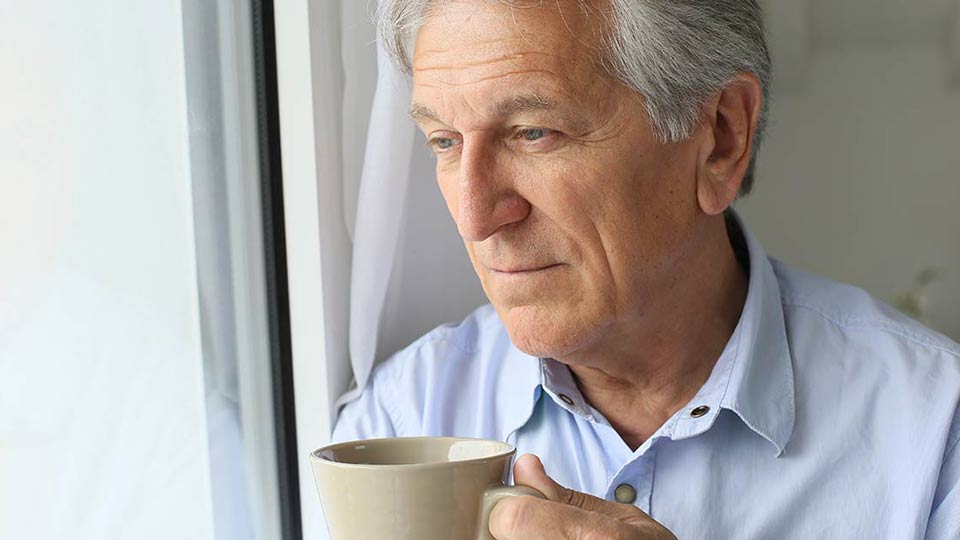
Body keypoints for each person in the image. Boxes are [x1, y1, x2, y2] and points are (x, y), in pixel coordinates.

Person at [332, 1, 960, 538]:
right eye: (444, 141)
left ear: (720, 139)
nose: (475, 216)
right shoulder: (395, 424)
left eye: (533, 132)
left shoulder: (937, 433)